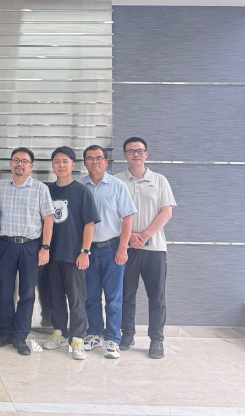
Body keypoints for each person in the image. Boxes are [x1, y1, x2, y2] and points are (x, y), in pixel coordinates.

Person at [115, 137, 177, 360]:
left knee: (157, 297)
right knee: (126, 295)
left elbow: (167, 212)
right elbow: (111, 213)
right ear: (124, 155)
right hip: (126, 248)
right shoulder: (117, 181)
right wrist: (130, 236)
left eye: (140, 151)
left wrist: (145, 235)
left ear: (146, 154)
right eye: (131, 151)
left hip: (155, 249)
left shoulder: (159, 180)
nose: (136, 154)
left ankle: (156, 340)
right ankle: (127, 335)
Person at [0, 147, 54, 356]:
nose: (20, 164)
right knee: (4, 292)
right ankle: (6, 332)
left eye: (24, 161)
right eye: (16, 160)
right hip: (5, 245)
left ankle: (20, 336)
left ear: (31, 166)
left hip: (30, 247)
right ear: (11, 163)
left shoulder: (40, 188)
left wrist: (45, 247)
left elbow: (48, 220)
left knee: (27, 294)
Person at [78, 145, 137, 359]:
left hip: (112, 249)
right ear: (85, 163)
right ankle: (94, 333)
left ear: (106, 161)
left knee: (114, 298)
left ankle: (112, 339)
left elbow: (128, 217)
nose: (94, 162)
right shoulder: (79, 186)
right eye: (90, 158)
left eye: (99, 158)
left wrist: (123, 249)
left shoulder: (117, 186)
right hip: (88, 251)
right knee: (91, 297)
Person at [42, 146, 100, 360]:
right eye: (57, 161)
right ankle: (59, 332)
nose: (61, 165)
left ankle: (77, 339)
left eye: (65, 161)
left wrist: (85, 251)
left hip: (74, 255)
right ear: (53, 165)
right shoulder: (47, 190)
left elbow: (89, 224)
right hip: (51, 254)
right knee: (55, 297)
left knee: (77, 298)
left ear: (73, 165)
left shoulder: (81, 191)